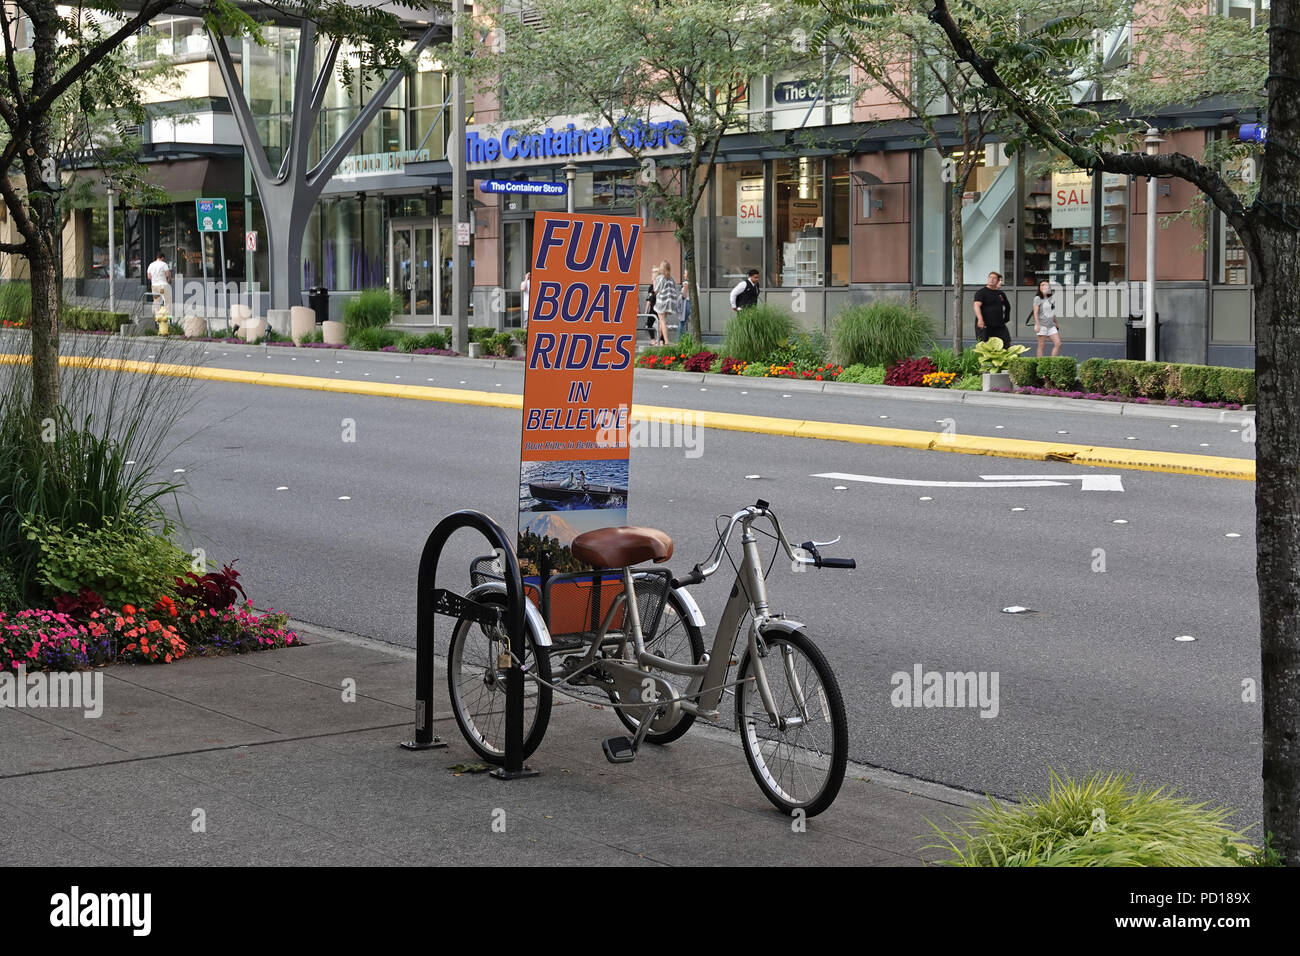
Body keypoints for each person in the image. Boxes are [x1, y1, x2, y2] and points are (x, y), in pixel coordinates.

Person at [973, 271, 1012, 347]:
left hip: (999, 325)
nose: (992, 279)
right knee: (985, 346)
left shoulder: (1000, 293)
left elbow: (1008, 306)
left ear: (998, 281)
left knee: (1006, 343)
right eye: (990, 277)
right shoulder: (981, 292)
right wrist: (980, 319)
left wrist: (1006, 318)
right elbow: (976, 306)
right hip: (985, 324)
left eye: (994, 278)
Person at [653, 260, 681, 347]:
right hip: (670, 303)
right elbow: (675, 290)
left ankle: (666, 341)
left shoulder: (660, 278)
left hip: (662, 302)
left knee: (662, 321)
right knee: (663, 322)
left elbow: (656, 290)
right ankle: (659, 340)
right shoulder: (672, 278)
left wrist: (654, 279)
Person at [1032, 279, 1062, 357]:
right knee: (1041, 346)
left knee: (1058, 343)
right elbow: (1035, 313)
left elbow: (1052, 312)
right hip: (1042, 325)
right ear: (1039, 287)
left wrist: (1056, 323)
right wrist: (1037, 325)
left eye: (1046, 285)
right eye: (1042, 285)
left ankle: (1052, 363)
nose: (1044, 286)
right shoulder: (1038, 298)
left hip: (1051, 325)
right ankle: (1040, 365)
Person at [147, 252, 173, 318]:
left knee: (157, 301)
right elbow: (167, 274)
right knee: (167, 300)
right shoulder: (163, 264)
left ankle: (157, 317)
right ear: (162, 258)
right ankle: (168, 317)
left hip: (154, 287)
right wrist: (169, 279)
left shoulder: (151, 265)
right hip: (163, 286)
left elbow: (149, 277)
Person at [645, 267, 660, 342]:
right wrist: (646, 311)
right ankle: (653, 340)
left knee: (661, 325)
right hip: (652, 310)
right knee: (648, 325)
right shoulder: (650, 287)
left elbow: (656, 293)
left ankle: (661, 340)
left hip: (660, 309)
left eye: (653, 275)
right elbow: (648, 300)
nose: (651, 276)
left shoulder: (659, 287)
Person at [679, 269, 691, 339]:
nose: (684, 275)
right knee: (685, 322)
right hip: (691, 304)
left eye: (685, 273)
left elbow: (684, 295)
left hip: (686, 303)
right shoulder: (695, 283)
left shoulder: (686, 283)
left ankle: (680, 340)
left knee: (682, 323)